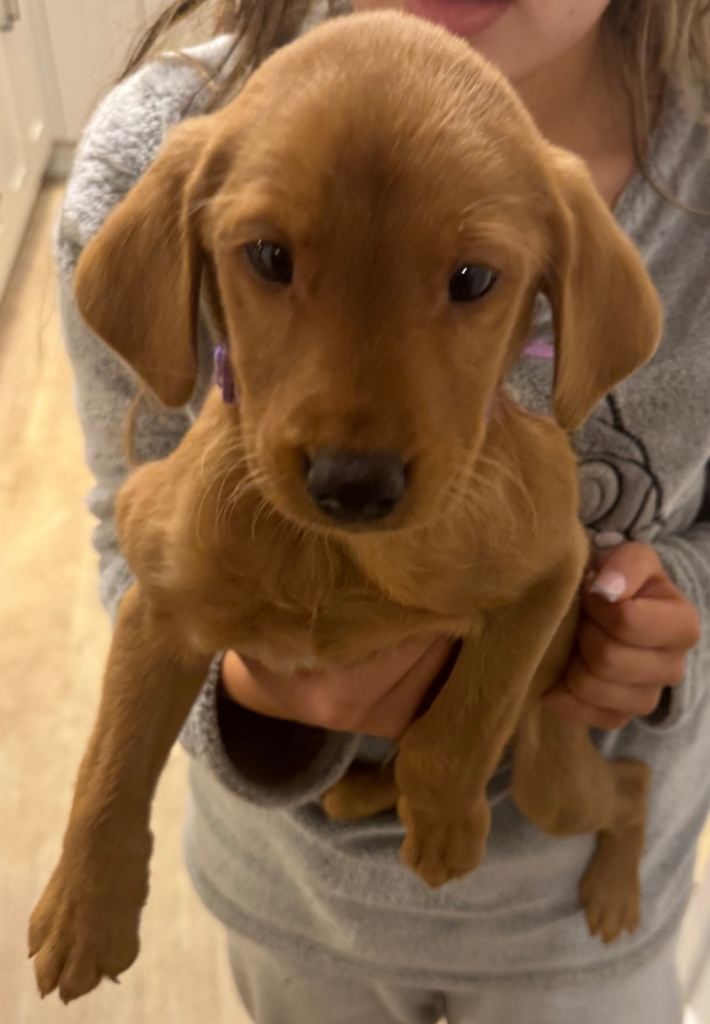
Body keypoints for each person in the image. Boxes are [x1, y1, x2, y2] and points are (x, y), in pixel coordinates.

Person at [57, 1, 709, 1021]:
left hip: (559, 932)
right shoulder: (155, 154)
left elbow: (553, 567)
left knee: (555, 785)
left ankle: (611, 817)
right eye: (270, 260)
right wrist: (241, 716)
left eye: (467, 280)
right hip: (294, 905)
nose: (351, 450)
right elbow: (141, 574)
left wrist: (677, 608)